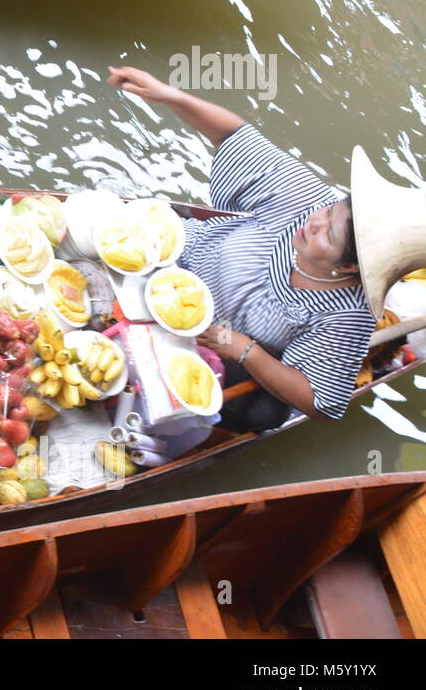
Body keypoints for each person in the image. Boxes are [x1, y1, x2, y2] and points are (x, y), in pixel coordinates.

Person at [107, 65, 423, 431]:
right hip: (169, 264)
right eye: (331, 209)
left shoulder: (348, 317)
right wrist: (169, 95)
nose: (315, 222)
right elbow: (233, 135)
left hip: (202, 344)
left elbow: (321, 403)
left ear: (351, 268)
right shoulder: (306, 198)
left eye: (329, 236)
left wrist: (245, 350)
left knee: (259, 413)